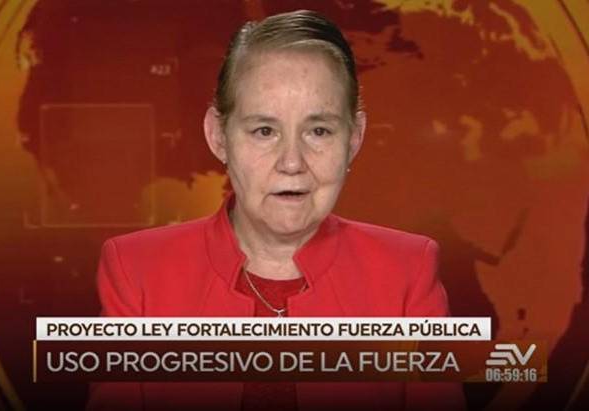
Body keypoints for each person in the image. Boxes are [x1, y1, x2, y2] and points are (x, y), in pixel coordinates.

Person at [87, 9, 465, 411]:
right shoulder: (135, 270)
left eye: (318, 130)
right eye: (264, 131)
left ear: (354, 139)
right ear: (218, 136)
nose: (292, 162)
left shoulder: (408, 270)